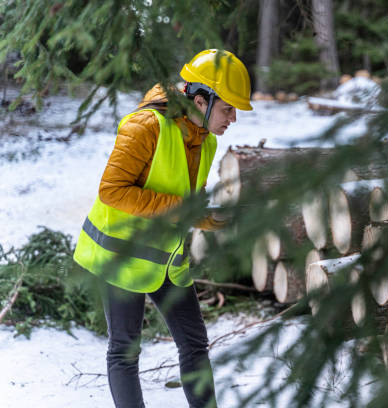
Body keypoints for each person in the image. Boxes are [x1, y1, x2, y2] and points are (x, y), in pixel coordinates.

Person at [73, 49, 253, 408]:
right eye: (228, 108)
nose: (233, 118)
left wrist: (210, 218)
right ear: (201, 101)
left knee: (194, 343)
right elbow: (111, 190)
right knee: (125, 350)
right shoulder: (145, 126)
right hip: (122, 255)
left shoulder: (204, 140)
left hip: (168, 259)